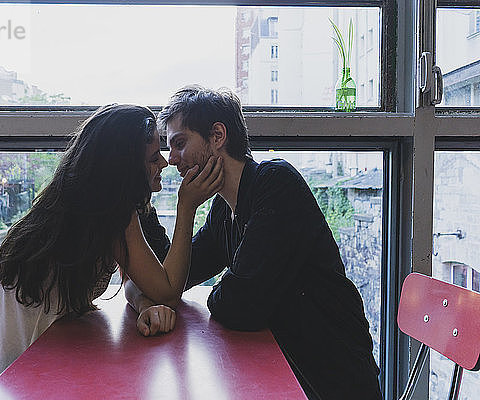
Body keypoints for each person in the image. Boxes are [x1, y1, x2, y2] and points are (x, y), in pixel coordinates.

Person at [124, 86, 382, 399]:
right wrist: (155, 208)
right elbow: (172, 277)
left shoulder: (275, 184)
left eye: (180, 143)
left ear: (217, 136)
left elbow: (238, 307)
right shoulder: (224, 209)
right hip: (280, 371)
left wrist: (223, 289)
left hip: (330, 379)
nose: (172, 159)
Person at [0, 104, 223, 398]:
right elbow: (167, 291)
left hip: (44, 372)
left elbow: (132, 280)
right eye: (154, 157)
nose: (164, 163)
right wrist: (187, 208)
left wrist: (144, 306)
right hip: (6, 386)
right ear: (125, 169)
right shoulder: (107, 214)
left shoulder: (92, 207)